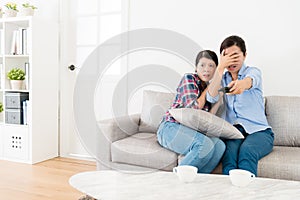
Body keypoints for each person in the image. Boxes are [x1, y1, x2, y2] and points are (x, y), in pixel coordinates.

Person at [207, 35, 274, 176]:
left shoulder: (253, 72)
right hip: (234, 132)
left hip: (260, 132)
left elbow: (249, 82)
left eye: (235, 55)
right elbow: (211, 97)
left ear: (245, 55)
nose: (231, 60)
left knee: (247, 151)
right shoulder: (222, 79)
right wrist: (220, 68)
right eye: (227, 56)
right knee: (229, 155)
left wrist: (241, 85)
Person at [157, 50, 225, 173]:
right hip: (170, 128)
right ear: (196, 68)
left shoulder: (210, 90)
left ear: (215, 70)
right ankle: (176, 181)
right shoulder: (189, 79)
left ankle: (197, 183)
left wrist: (218, 102)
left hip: (190, 131)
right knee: (204, 145)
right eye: (202, 65)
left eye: (211, 66)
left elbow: (206, 120)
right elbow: (193, 109)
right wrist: (210, 88)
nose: (207, 69)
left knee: (219, 146)